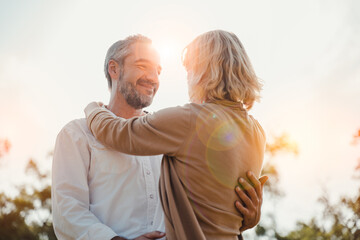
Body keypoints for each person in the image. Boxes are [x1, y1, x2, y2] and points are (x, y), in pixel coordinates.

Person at [52, 34, 266, 240]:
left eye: (159, 71)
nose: (153, 78)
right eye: (143, 66)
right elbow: (68, 212)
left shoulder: (178, 130)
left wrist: (248, 215)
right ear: (114, 69)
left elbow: (208, 202)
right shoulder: (76, 135)